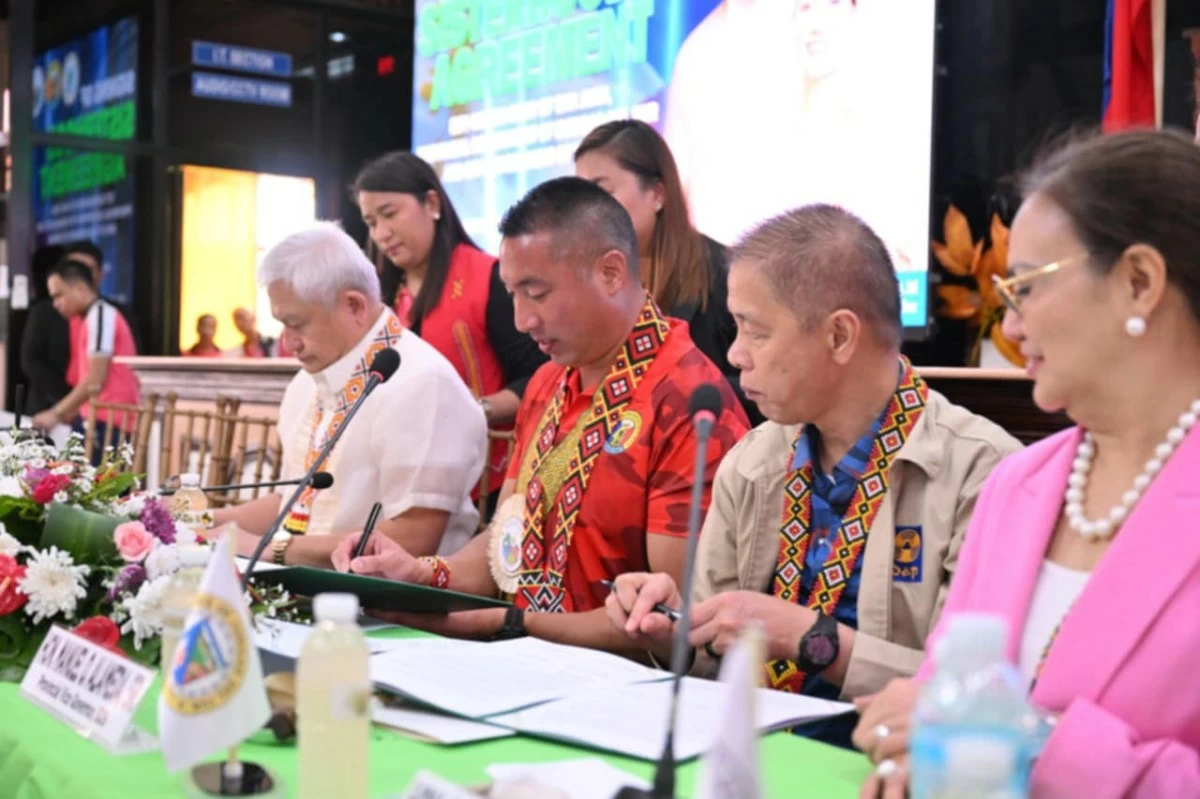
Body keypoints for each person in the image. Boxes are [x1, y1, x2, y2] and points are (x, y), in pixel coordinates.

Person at [854, 129, 1200, 798]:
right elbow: (946, 689)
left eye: (1027, 287)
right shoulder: (1019, 484)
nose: (1010, 327)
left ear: (1138, 281)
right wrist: (908, 756)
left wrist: (1039, 742)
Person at [605, 205, 1020, 747]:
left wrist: (811, 640)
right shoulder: (752, 462)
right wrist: (675, 625)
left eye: (755, 332)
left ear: (840, 336)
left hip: (887, 764)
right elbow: (711, 668)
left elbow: (974, 693)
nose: (735, 354)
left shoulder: (983, 473)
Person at [331, 177, 749, 649]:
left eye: (537, 292)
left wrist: (509, 625)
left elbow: (668, 624)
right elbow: (503, 546)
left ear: (611, 273)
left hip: (616, 693)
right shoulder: (550, 380)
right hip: (519, 659)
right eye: (512, 293)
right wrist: (419, 572)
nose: (521, 320)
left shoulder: (687, 400)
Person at [213, 221, 486, 566]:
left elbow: (413, 538)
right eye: (281, 324)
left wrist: (271, 550)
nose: (287, 342)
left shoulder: (423, 383)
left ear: (354, 306)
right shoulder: (306, 383)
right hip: (300, 586)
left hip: (386, 609)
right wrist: (197, 522)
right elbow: (293, 504)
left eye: (297, 324)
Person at [355, 152, 549, 511]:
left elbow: (539, 377)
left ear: (431, 203)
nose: (381, 233)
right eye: (370, 222)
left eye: (390, 213)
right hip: (401, 478)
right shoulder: (378, 300)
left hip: (485, 484)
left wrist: (474, 410)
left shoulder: (488, 278)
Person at [573, 119, 759, 424]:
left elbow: (769, 386)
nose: (587, 213)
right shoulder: (592, 286)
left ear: (657, 194)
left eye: (602, 193)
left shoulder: (729, 274)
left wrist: (685, 390)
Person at [32, 259, 141, 459]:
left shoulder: (101, 315)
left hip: (109, 424)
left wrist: (55, 413)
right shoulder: (92, 317)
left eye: (59, 295)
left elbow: (94, 381)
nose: (56, 304)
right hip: (99, 420)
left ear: (81, 288)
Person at [20, 244, 70, 416]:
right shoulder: (42, 311)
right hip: (47, 406)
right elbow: (30, 360)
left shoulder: (101, 313)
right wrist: (65, 397)